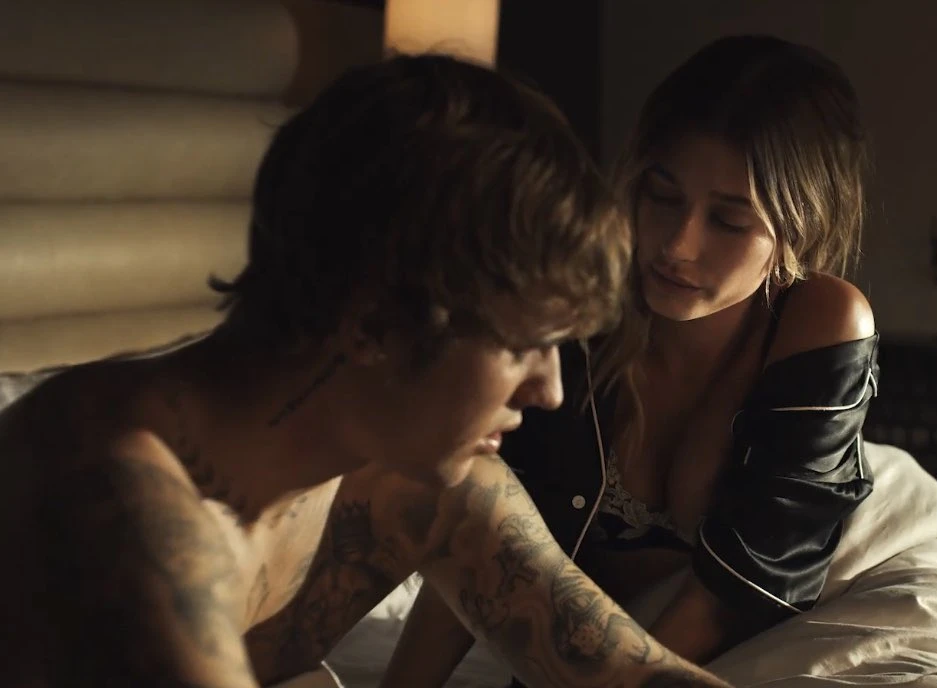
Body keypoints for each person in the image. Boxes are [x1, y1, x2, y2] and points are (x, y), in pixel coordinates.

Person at [0, 53, 728, 688]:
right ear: (373, 323)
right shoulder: (119, 511)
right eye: (525, 345)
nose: (550, 391)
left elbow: (633, 674)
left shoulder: (413, 482)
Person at [386, 34, 879, 685]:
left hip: (750, 622)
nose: (677, 245)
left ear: (799, 227)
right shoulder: (579, 298)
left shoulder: (819, 319)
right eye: (663, 195)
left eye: (729, 222)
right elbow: (480, 528)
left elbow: (749, 582)